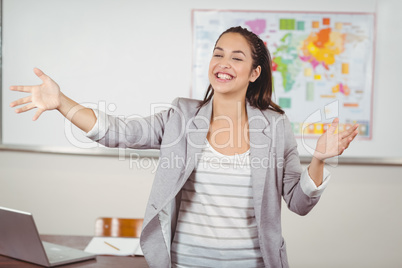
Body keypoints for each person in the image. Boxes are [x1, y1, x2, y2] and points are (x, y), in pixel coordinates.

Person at [10, 26, 358, 268]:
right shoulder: (181, 115)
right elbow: (119, 132)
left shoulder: (276, 125)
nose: (223, 63)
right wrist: (61, 102)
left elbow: (298, 203)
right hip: (185, 261)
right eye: (218, 54)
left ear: (254, 73)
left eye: (237, 58)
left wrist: (320, 160)